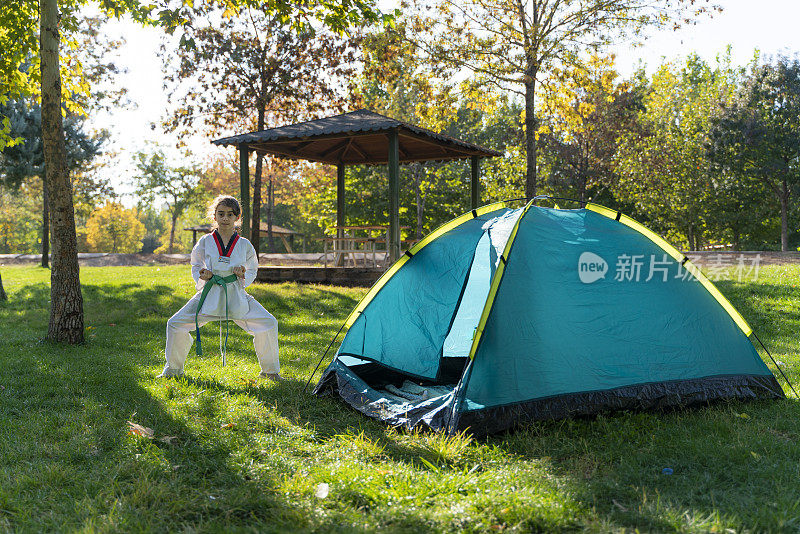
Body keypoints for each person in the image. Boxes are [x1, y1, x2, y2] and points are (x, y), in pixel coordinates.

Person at [158, 195, 281, 380]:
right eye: (221, 214)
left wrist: (242, 276)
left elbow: (253, 267)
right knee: (175, 323)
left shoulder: (244, 244)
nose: (225, 218)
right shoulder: (206, 241)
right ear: (214, 216)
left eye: (230, 214)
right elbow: (196, 263)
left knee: (269, 323)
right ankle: (173, 370)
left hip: (236, 295)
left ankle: (270, 372)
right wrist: (202, 274)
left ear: (237, 217)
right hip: (210, 294)